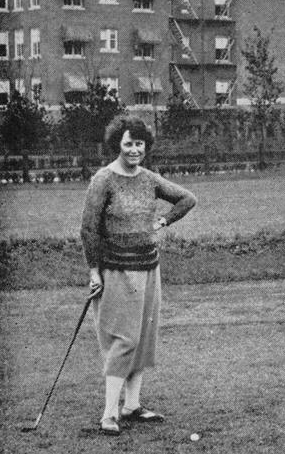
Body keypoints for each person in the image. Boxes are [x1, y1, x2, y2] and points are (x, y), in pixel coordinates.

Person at [80, 117, 197, 435]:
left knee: (143, 340)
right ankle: (109, 413)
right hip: (117, 271)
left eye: (139, 144)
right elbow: (89, 229)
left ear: (146, 147)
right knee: (124, 340)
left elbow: (187, 199)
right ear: (117, 143)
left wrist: (163, 221)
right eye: (128, 143)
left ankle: (132, 406)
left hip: (149, 270)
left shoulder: (149, 179)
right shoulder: (103, 180)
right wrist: (94, 271)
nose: (134, 150)